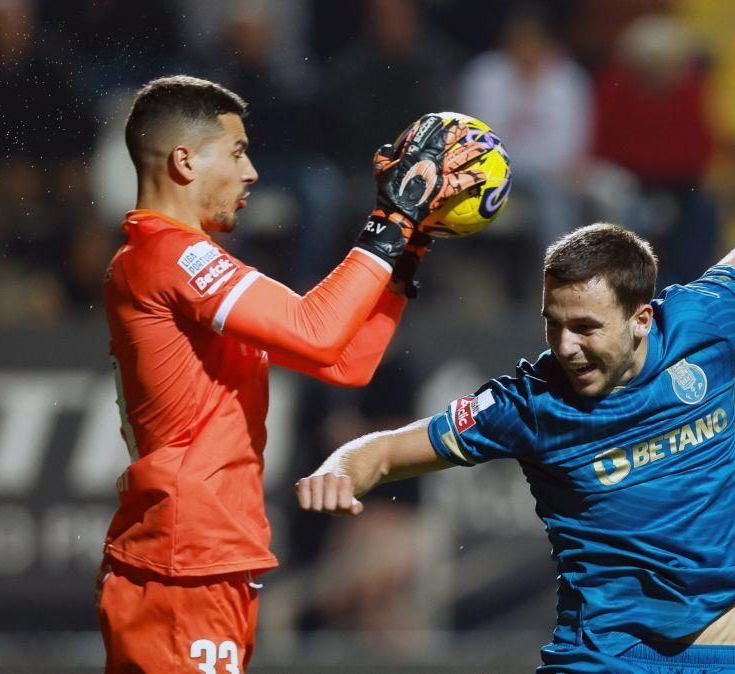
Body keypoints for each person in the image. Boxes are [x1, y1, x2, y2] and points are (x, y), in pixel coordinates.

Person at [296, 31, 735, 672]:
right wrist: (341, 467)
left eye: (586, 328)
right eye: (552, 324)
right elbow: (388, 450)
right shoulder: (528, 402)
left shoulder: (704, 324)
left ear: (642, 318)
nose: (566, 346)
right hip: (597, 662)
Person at [96, 75, 489, 672]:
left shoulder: (181, 261)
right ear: (183, 161)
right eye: (236, 152)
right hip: (182, 560)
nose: (252, 170)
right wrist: (392, 217)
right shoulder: (169, 255)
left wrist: (409, 247)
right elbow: (316, 329)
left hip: (207, 560)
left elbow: (344, 360)